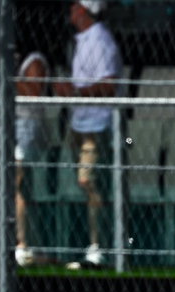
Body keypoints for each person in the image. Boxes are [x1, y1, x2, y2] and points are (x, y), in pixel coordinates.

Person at [54, 0, 121, 270]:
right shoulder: (82, 40)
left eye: (75, 5)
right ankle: (96, 244)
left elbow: (109, 84)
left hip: (97, 124)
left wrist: (76, 92)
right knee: (87, 185)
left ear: (84, 9)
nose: (70, 9)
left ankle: (99, 249)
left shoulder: (100, 40)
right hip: (80, 122)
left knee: (91, 182)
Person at [14, 42, 52, 266]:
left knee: (16, 184)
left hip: (28, 128)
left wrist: (7, 77)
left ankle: (23, 244)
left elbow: (34, 92)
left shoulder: (34, 59)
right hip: (14, 128)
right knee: (21, 188)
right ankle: (28, 243)